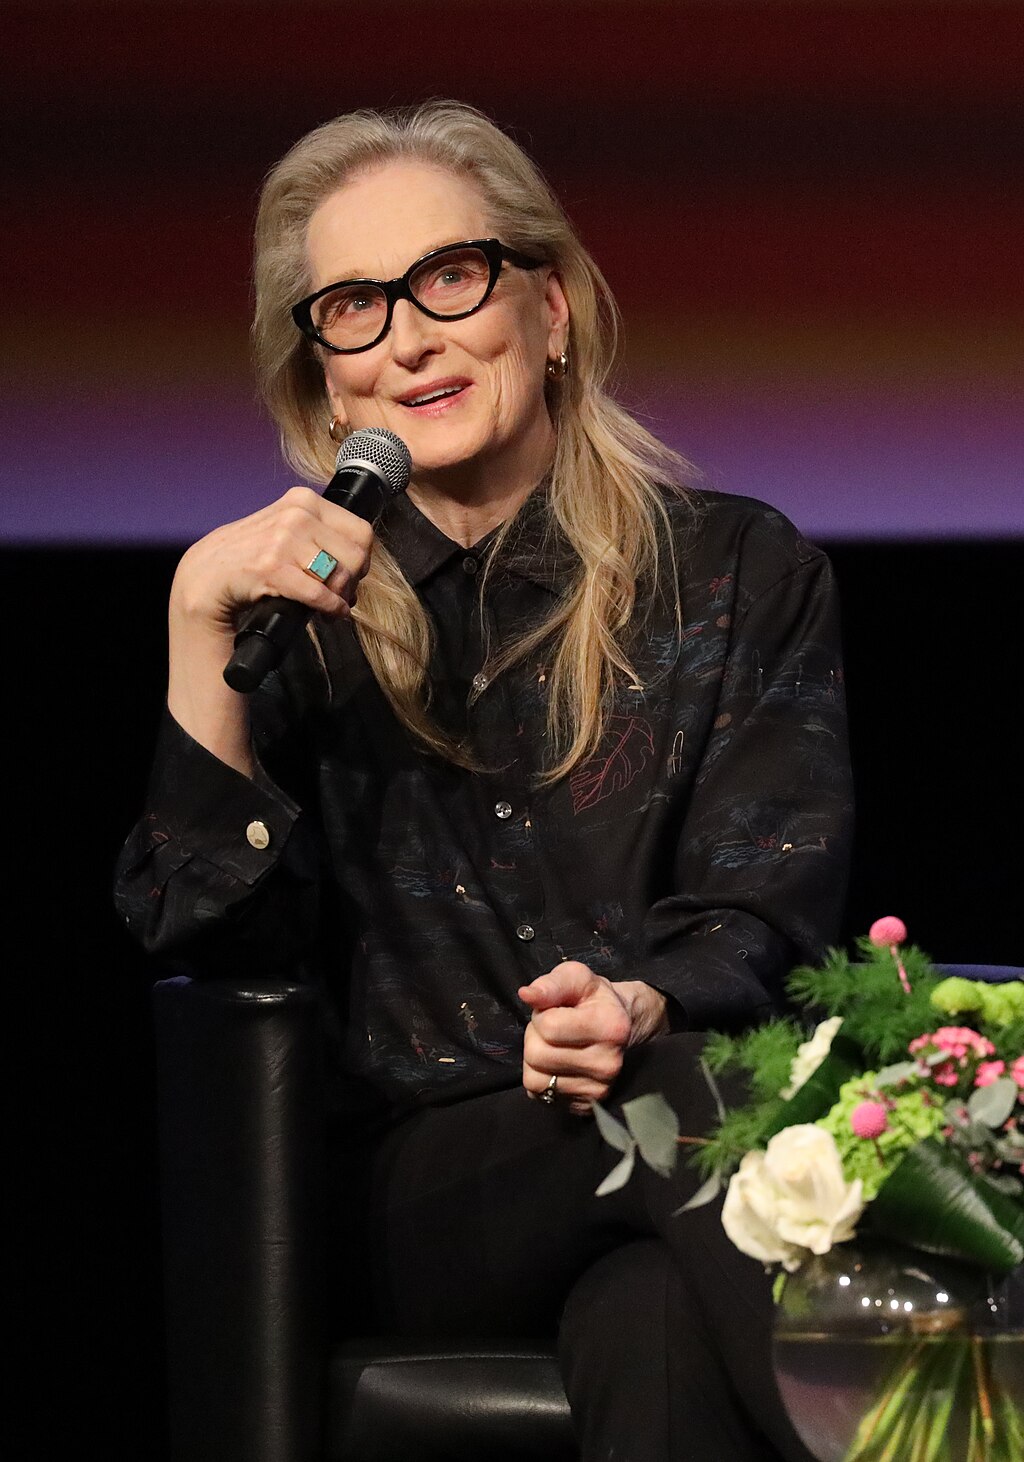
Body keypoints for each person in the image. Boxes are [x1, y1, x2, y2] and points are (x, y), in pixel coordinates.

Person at [115, 98, 853, 1461]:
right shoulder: (295, 627)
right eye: (354, 307)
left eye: (448, 276)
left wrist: (638, 1001)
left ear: (550, 309)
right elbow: (212, 951)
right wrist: (195, 636)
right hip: (421, 1196)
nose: (408, 338)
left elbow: (769, 910)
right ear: (328, 380)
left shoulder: (739, 574)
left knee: (653, 1320)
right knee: (684, 1102)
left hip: (666, 1148)